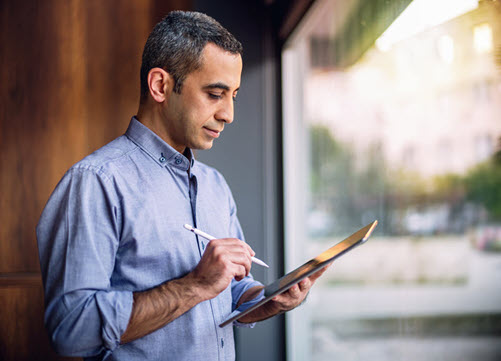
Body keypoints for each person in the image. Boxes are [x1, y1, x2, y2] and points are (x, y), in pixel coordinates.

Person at [37, 11, 326, 361]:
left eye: (233, 94)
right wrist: (195, 285)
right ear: (160, 85)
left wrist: (267, 300)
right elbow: (71, 329)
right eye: (215, 94)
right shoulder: (96, 182)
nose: (229, 114)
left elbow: (229, 293)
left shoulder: (215, 185)